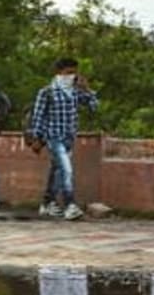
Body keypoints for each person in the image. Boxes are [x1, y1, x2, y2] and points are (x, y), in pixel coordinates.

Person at [26, 57, 99, 221]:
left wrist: (87, 90)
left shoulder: (75, 91)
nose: (71, 76)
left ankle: (47, 202)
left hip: (69, 136)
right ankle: (70, 204)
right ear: (59, 72)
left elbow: (94, 107)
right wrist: (36, 138)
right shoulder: (47, 92)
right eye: (68, 72)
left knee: (57, 170)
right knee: (66, 169)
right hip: (53, 136)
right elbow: (38, 116)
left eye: (74, 73)